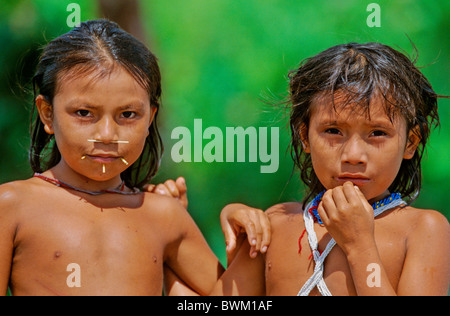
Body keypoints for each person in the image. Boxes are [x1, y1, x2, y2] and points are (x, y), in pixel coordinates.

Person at [0, 19, 270, 296]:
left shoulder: (162, 214)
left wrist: (243, 239)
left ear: (150, 118)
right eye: (84, 113)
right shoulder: (13, 206)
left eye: (127, 114)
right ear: (47, 113)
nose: (106, 134)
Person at [166, 42, 450, 296]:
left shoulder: (423, 230)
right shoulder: (276, 224)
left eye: (377, 133)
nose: (353, 155)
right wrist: (171, 226)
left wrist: (360, 246)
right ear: (305, 137)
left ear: (410, 142)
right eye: (333, 130)